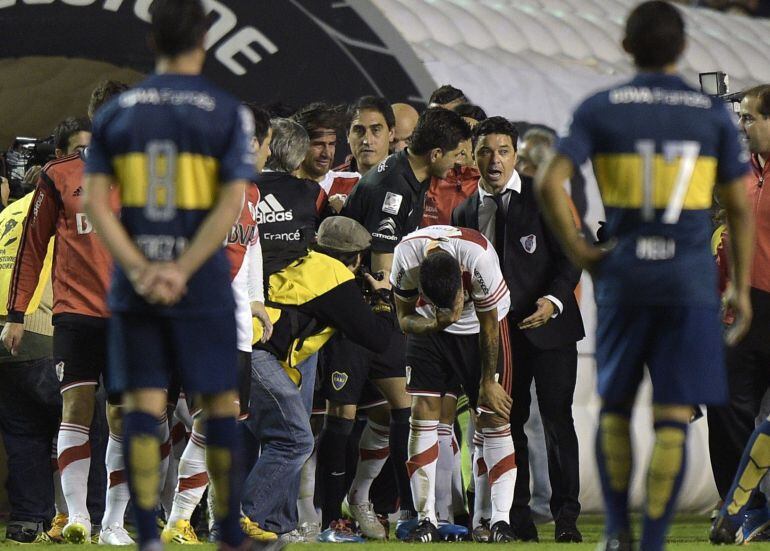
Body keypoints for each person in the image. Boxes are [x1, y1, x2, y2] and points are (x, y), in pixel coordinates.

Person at [535, 2, 753, 550]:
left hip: (625, 276)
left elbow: (548, 183)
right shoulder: (709, 113)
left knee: (614, 405)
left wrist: (584, 252)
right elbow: (740, 206)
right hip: (688, 280)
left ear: (627, 47)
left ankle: (616, 532)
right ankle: (653, 539)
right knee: (674, 415)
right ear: (682, 49)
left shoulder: (600, 108)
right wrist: (742, 287)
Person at [82, 1, 257, 549]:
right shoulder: (226, 112)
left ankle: (146, 535)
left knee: (142, 405)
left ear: (152, 39)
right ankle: (227, 530)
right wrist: (182, 266)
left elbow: (96, 204)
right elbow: (232, 203)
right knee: (219, 402)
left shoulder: (116, 113)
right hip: (200, 280)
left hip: (135, 283)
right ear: (203, 41)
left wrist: (139, 266)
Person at [2, 83, 130, 546]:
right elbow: (31, 248)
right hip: (75, 313)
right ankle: (77, 517)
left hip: (131, 318)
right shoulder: (59, 175)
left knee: (122, 417)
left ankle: (114, 523)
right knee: (75, 408)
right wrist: (16, 313)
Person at [453, 116, 585, 542]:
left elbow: (571, 256)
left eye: (503, 151)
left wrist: (554, 300)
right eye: (486, 151)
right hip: (500, 338)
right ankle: (520, 516)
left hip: (550, 329)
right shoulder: (464, 210)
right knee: (509, 425)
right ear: (474, 156)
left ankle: (567, 518)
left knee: (557, 421)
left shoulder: (543, 196)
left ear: (515, 154)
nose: (495, 160)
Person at [240, 216, 398, 542]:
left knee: (278, 441)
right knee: (296, 440)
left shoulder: (308, 261)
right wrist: (382, 299)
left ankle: (276, 526)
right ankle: (249, 515)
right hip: (257, 355)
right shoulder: (336, 278)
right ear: (354, 258)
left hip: (244, 348)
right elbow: (378, 338)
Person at [160, 105, 275, 545]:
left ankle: (208, 513)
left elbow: (250, 247)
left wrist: (256, 299)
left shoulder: (248, 192)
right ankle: (173, 519)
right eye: (266, 145)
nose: (268, 153)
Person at [390, 225, 516, 543]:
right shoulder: (405, 256)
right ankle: (427, 519)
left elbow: (491, 323)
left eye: (456, 299)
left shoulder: (479, 258)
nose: (452, 308)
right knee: (421, 416)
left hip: (480, 333)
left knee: (493, 417)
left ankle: (496, 521)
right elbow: (403, 318)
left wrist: (488, 380)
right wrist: (435, 320)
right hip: (430, 332)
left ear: (463, 282)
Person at [709, 83, 770, 544]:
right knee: (725, 405)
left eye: (750, 118)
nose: (742, 126)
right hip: (741, 305)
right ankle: (747, 507)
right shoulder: (733, 175)